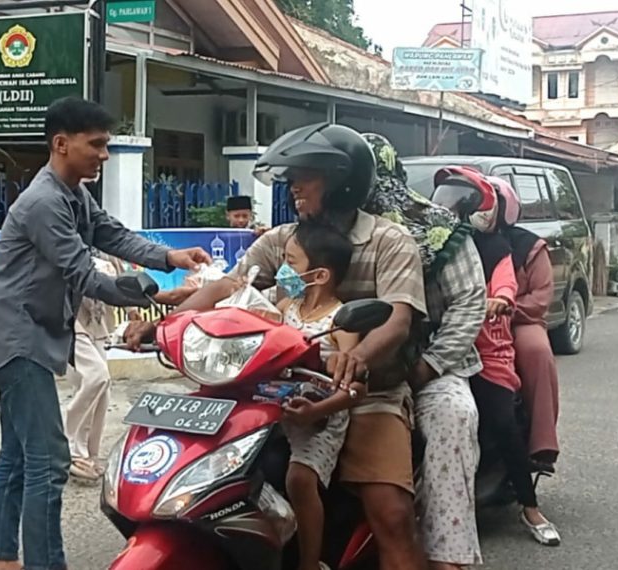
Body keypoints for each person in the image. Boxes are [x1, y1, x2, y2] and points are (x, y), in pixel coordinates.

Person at [128, 124, 430, 570]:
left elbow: (399, 317)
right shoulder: (283, 240)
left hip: (367, 394)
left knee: (390, 513)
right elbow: (231, 285)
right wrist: (169, 325)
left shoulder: (389, 240)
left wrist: (356, 359)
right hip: (269, 391)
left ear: (341, 181)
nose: (294, 187)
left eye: (305, 176)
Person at [0, 96, 210, 570]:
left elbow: (113, 234)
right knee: (49, 459)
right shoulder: (45, 202)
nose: (104, 155)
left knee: (18, 455)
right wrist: (150, 295)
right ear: (61, 144)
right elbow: (85, 274)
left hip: (31, 333)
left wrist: (171, 258)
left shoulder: (73, 194)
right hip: (19, 338)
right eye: (97, 145)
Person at [361, 134, 484, 570]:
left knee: (454, 418)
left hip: (431, 366)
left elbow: (470, 302)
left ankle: (446, 555)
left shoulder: (439, 227)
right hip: (346, 366)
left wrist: (428, 367)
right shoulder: (327, 223)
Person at [431, 167, 561, 548]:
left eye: (461, 202)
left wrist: (500, 300)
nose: (450, 209)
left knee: (502, 420)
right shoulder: (434, 245)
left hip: (486, 348)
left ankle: (530, 504)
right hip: (439, 345)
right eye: (446, 200)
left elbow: (507, 285)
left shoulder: (500, 248)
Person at [276, 222, 363, 570]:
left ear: (320, 274)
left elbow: (353, 388)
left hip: (322, 417)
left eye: (291, 263)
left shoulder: (341, 321)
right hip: (277, 404)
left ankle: (310, 563)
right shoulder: (286, 306)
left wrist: (319, 410)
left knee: (299, 479)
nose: (283, 270)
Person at [499, 184, 560, 467]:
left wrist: (504, 310)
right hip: (471, 317)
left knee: (536, 350)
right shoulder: (462, 242)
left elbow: (540, 299)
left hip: (518, 319)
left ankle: (542, 443)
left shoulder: (530, 247)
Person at [62, 251, 125, 484]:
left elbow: (120, 280)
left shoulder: (107, 247)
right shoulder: (66, 238)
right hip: (70, 319)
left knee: (103, 389)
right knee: (96, 378)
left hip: (98, 322)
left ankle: (89, 454)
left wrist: (131, 309)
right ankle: (68, 446)